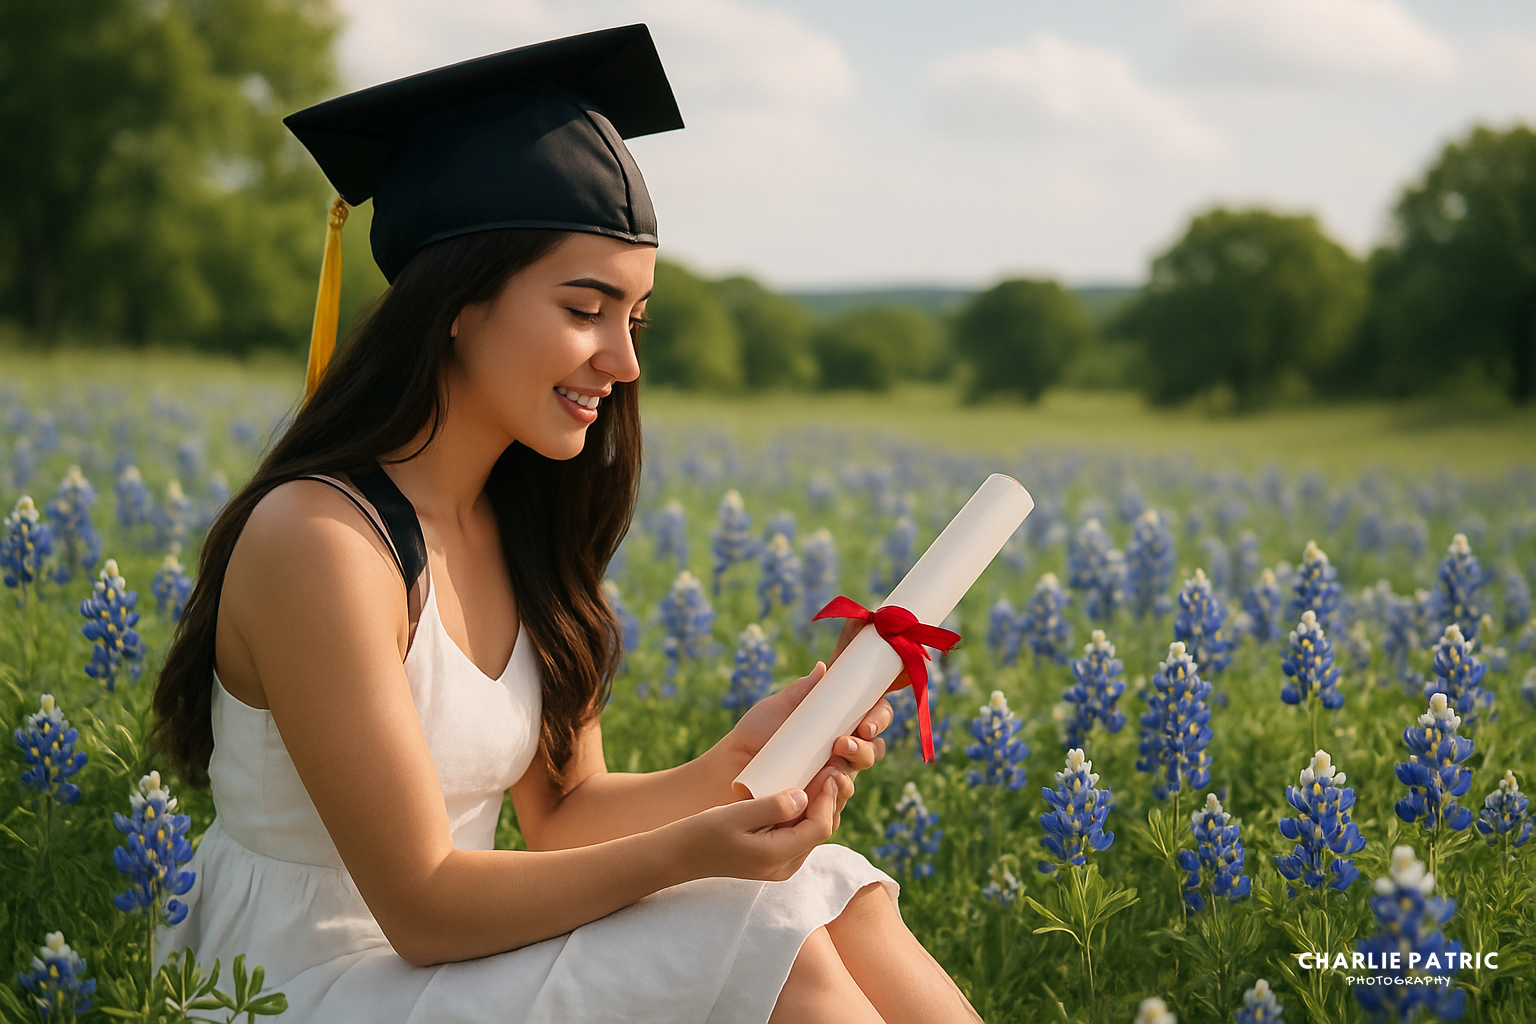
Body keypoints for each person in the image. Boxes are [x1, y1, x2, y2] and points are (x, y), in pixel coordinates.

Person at [150, 24, 980, 1024]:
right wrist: (693, 850)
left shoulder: (524, 529)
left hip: (453, 961)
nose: (624, 361)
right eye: (586, 307)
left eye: (636, 318)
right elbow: (419, 904)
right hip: (297, 984)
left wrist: (735, 768)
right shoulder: (320, 541)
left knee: (829, 887)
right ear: (459, 300)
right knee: (768, 934)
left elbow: (563, 816)